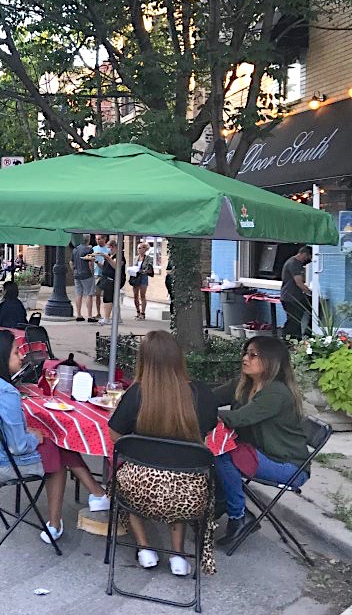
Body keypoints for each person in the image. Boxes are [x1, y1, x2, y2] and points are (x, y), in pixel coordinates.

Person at [0, 330, 109, 546]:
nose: (22, 357)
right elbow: (18, 447)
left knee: (53, 439)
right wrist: (34, 438)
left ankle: (96, 494)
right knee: (55, 450)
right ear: (1, 357)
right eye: (17, 352)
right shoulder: (6, 392)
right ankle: (57, 522)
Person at [108, 330, 219, 575]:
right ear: (178, 358)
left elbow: (116, 437)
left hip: (140, 491)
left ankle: (144, 548)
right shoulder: (202, 393)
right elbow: (208, 430)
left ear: (144, 360)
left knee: (122, 473)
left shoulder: (136, 394)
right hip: (188, 496)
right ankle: (178, 555)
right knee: (179, 474)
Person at [212, 336, 309, 547]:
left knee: (221, 452)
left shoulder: (277, 392)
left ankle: (238, 516)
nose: (246, 358)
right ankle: (220, 504)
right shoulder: (244, 385)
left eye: (253, 355)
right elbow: (210, 398)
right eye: (245, 353)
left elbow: (239, 418)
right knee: (215, 448)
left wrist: (204, 414)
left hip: (288, 465)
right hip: (259, 454)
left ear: (270, 361)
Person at [280, 246, 312, 339]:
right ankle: (287, 340)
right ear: (304, 254)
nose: (307, 260)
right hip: (291, 297)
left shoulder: (296, 264)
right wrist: (310, 293)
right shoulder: (294, 263)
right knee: (293, 320)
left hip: (295, 297)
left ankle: (297, 338)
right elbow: (299, 282)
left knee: (297, 319)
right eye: (308, 257)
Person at [94, 240, 125, 325]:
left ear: (113, 247)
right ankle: (117, 318)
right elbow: (104, 266)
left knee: (108, 298)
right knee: (114, 299)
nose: (107, 249)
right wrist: (96, 262)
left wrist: (108, 258)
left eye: (108, 247)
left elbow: (116, 266)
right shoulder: (110, 255)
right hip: (105, 278)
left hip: (113, 279)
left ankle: (106, 318)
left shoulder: (120, 256)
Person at [70, 236, 96, 322]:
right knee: (89, 294)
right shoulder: (89, 250)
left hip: (77, 274)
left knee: (78, 294)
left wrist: (74, 270)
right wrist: (92, 273)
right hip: (87, 274)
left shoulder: (75, 249)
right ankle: (89, 316)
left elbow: (71, 262)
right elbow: (90, 263)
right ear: (88, 240)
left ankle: (79, 314)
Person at [131, 241, 154, 320]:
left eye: (141, 248)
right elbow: (134, 267)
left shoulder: (149, 258)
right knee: (135, 295)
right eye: (138, 248)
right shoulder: (135, 258)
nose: (139, 250)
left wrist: (142, 271)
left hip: (143, 277)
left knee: (142, 295)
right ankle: (137, 311)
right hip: (135, 277)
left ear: (145, 249)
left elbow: (149, 269)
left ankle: (142, 313)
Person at [92, 234, 110, 320]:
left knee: (107, 295)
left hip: (105, 275)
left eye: (99, 239)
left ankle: (107, 314)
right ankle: (98, 313)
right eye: (97, 239)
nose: (98, 241)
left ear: (104, 239)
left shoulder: (108, 249)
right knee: (97, 295)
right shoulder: (94, 249)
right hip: (96, 274)